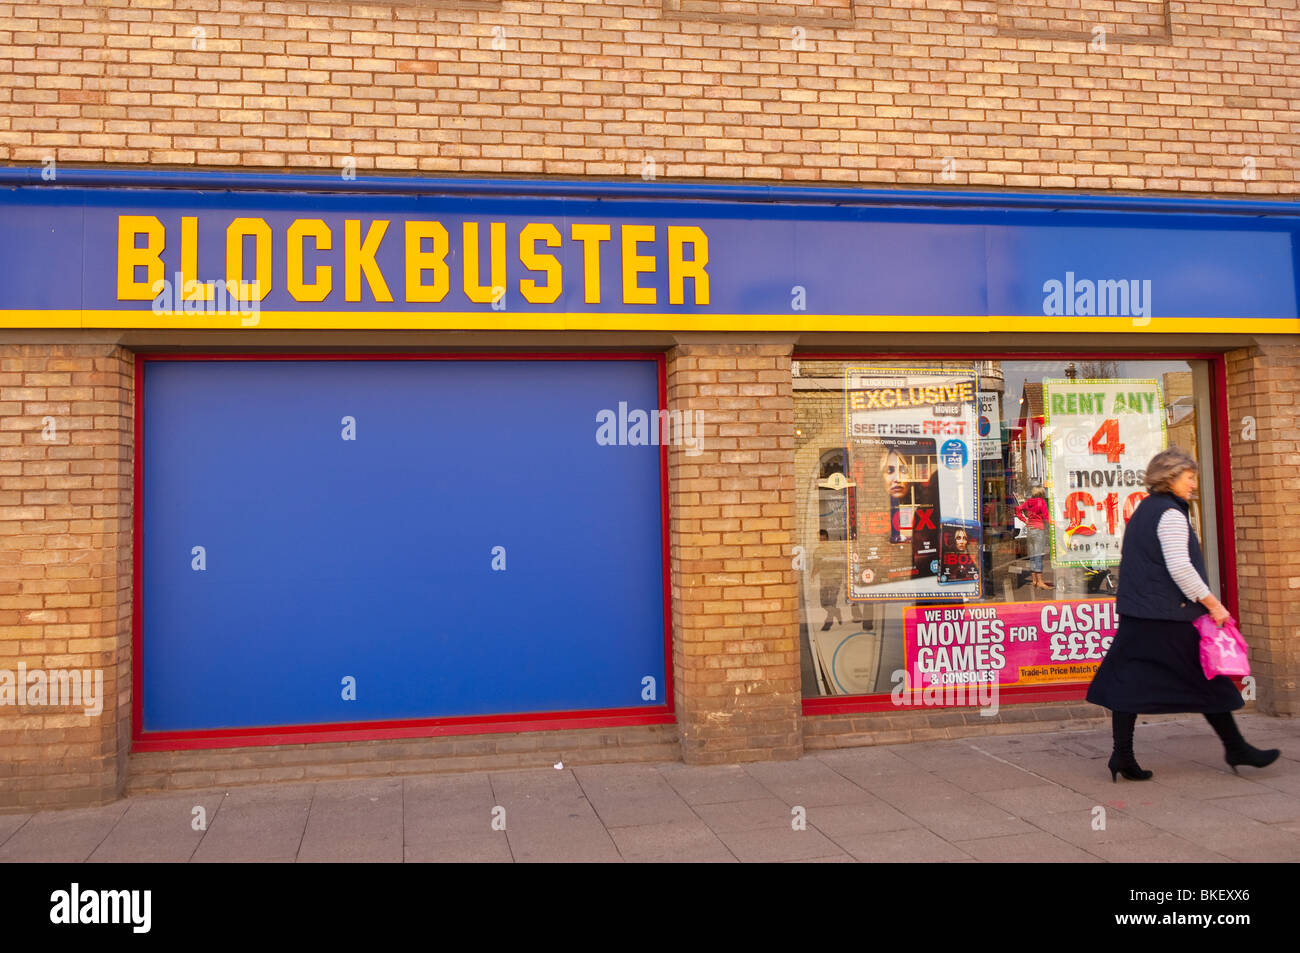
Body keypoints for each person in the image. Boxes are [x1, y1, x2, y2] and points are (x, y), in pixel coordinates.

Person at [1086, 448, 1280, 781]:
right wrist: (1214, 605)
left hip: (1139, 614)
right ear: (1171, 477)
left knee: (1127, 681)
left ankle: (1122, 755)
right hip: (1168, 617)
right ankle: (1236, 748)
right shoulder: (1171, 514)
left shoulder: (1144, 511)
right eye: (1189, 478)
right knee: (1208, 679)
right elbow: (1181, 568)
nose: (1193, 485)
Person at [1015, 486, 1052, 590]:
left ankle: (1034, 581)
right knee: (1038, 555)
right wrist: (1057, 524)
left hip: (1030, 530)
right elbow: (1046, 518)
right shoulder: (1041, 502)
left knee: (1032, 556)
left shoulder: (1029, 502)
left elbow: (1017, 509)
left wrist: (1025, 520)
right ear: (1042, 493)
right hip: (1038, 530)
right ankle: (1040, 582)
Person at [811, 529, 845, 631]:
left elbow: (842, 561)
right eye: (820, 539)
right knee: (824, 603)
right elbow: (817, 566)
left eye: (824, 539)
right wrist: (812, 575)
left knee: (832, 601)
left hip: (835, 578)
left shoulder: (835, 548)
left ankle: (828, 623)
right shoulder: (817, 551)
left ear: (827, 538)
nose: (822, 541)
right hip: (824, 579)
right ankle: (836, 612)